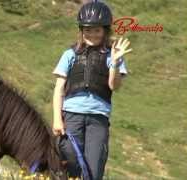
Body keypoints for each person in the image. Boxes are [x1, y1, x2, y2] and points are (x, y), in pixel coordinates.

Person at [52, 1, 132, 179]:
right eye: (88, 29)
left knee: (94, 169)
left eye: (97, 30)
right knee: (70, 162)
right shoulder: (70, 54)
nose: (92, 34)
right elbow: (58, 89)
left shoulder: (113, 54)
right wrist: (57, 119)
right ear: (81, 30)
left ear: (105, 31)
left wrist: (116, 63)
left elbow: (114, 86)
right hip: (71, 116)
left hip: (98, 119)